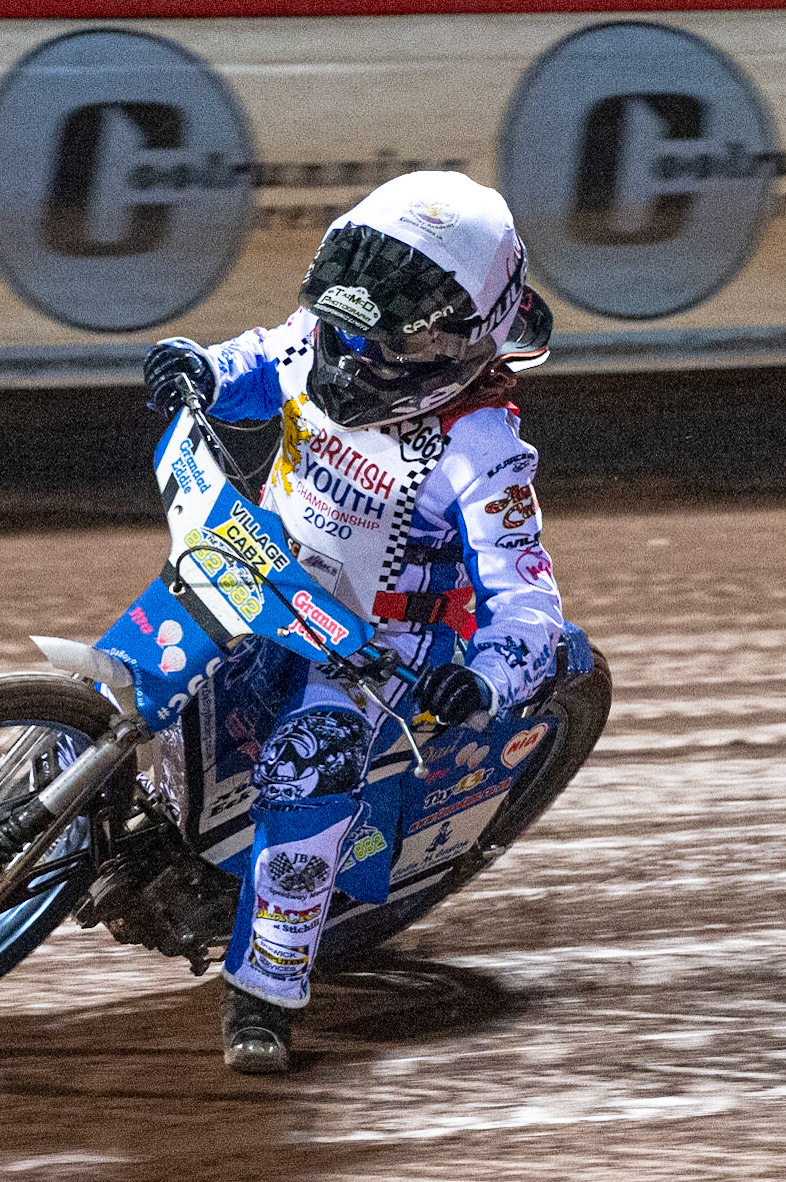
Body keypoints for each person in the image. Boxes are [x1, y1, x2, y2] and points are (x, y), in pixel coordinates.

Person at [141, 171, 565, 1073]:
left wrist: (486, 677)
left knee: (309, 769)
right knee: (134, 674)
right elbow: (265, 362)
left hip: (372, 650)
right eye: (343, 332)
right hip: (259, 571)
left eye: (385, 352)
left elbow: (530, 602)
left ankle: (265, 987)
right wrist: (203, 370)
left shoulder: (483, 445)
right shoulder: (330, 331)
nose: (348, 364)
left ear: (458, 345)